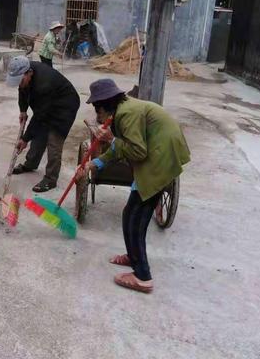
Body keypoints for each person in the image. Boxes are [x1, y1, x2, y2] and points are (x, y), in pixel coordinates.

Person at [80, 78, 190, 293]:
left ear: (104, 105)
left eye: (97, 110)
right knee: (133, 213)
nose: (97, 116)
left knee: (134, 216)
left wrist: (111, 138)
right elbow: (120, 149)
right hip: (159, 152)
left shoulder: (126, 114)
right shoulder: (123, 109)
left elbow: (137, 151)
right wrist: (95, 162)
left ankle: (143, 276)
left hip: (160, 158)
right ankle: (133, 256)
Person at [6, 56, 80, 192]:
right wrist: (23, 110)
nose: (19, 84)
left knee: (53, 140)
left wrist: (25, 138)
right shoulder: (25, 72)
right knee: (39, 135)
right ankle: (31, 164)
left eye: (20, 80)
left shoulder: (43, 84)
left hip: (64, 106)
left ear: (29, 73)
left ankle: (51, 179)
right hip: (48, 103)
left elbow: (39, 116)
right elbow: (22, 90)